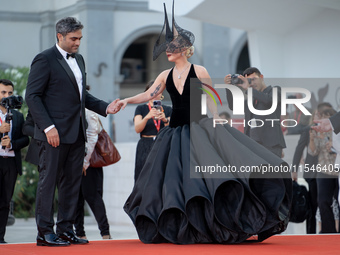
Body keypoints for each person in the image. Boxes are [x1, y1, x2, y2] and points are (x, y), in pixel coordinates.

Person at [115, 1, 292, 244]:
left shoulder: (199, 70)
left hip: (200, 129)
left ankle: (217, 224)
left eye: (172, 47)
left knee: (207, 179)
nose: (168, 51)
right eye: (167, 48)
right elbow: (149, 95)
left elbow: (210, 97)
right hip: (174, 132)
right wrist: (126, 100)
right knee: (176, 182)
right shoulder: (164, 75)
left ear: (185, 50)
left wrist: (218, 119)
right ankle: (184, 227)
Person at [25, 17, 119, 247]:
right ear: (60, 36)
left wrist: (105, 107)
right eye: (73, 38)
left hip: (77, 133)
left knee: (71, 184)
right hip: (53, 134)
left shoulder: (80, 60)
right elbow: (32, 96)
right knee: (48, 183)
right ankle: (44, 232)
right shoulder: (44, 59)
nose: (78, 43)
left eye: (80, 38)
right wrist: (48, 127)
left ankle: (66, 230)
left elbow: (81, 97)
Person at [74, 86, 111, 240]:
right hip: (78, 162)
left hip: (89, 162)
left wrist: (84, 162)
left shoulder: (88, 110)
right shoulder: (74, 108)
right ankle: (80, 233)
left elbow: (91, 138)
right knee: (77, 199)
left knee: (93, 197)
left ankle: (105, 233)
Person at [224, 67, 286, 158]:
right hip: (252, 145)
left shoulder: (275, 90)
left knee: (271, 172)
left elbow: (268, 100)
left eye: (254, 79)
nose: (252, 83)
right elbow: (233, 106)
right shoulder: (251, 99)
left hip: (271, 145)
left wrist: (248, 89)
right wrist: (228, 87)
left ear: (261, 77)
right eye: (249, 81)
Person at [291, 102, 333, 233]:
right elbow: (299, 149)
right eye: (317, 115)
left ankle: (329, 230)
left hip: (329, 171)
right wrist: (294, 169)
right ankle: (311, 233)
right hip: (312, 172)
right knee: (313, 204)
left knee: (327, 202)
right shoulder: (308, 130)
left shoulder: (332, 131)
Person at [0, 79, 29, 244]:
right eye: (3, 92)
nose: (7, 96)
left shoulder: (18, 116)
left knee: (5, 202)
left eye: (10, 93)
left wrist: (12, 144)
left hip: (11, 162)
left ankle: (0, 237)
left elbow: (26, 139)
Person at [133, 80, 172, 182]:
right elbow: (137, 128)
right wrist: (147, 117)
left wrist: (165, 120)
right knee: (143, 176)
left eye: (158, 92)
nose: (155, 95)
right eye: (152, 91)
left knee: (162, 176)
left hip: (162, 144)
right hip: (145, 144)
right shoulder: (141, 109)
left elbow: (173, 129)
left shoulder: (167, 110)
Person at [308, 108, 339, 233]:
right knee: (323, 201)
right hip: (324, 170)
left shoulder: (337, 131)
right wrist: (311, 139)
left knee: (337, 200)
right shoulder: (317, 131)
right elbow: (312, 152)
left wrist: (333, 146)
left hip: (337, 170)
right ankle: (328, 231)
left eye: (327, 117)